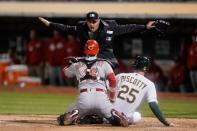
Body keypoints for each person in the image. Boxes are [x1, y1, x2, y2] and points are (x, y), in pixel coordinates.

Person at [38, 11, 156, 68]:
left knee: (108, 80)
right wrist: (50, 24)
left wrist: (144, 27)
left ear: (99, 20)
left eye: (94, 21)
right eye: (89, 21)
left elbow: (128, 28)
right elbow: (65, 29)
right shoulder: (81, 27)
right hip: (90, 58)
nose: (91, 24)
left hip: (107, 58)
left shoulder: (110, 26)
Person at [57, 39, 128, 127]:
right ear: (97, 50)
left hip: (84, 98)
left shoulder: (77, 64)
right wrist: (112, 99)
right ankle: (114, 114)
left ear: (85, 50)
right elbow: (113, 81)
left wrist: (70, 63)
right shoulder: (105, 63)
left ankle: (75, 114)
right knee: (111, 117)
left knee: (62, 118)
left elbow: (65, 73)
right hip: (101, 98)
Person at [114, 56, 173, 126]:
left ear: (135, 65)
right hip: (126, 116)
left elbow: (105, 90)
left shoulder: (121, 76)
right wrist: (166, 122)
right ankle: (123, 118)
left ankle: (104, 117)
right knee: (137, 115)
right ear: (146, 68)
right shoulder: (149, 84)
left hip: (110, 113)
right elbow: (153, 105)